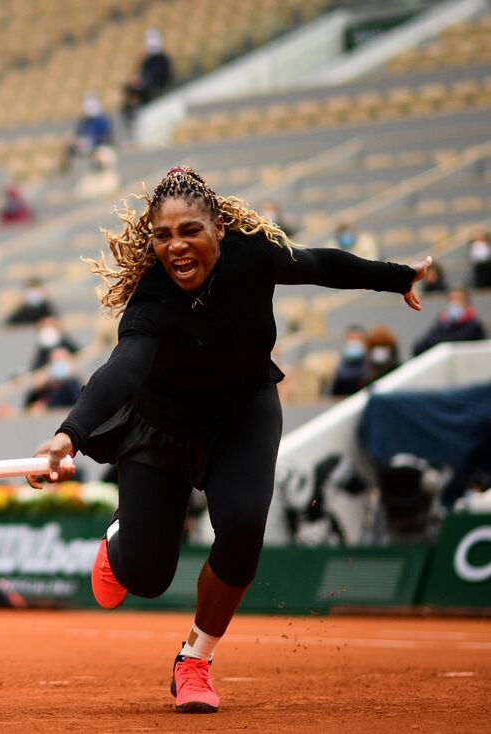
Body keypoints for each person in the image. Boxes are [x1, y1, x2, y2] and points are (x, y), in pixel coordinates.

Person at [29, 166, 428, 714]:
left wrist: (396, 275)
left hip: (243, 412)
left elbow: (320, 264)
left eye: (190, 230)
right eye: (163, 236)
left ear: (218, 227)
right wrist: (66, 435)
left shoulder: (254, 253)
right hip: (162, 428)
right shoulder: (150, 301)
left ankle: (195, 658)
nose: (177, 247)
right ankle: (121, 537)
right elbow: (121, 370)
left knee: (241, 527)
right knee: (145, 578)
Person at [121, 29, 173, 134]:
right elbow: (141, 73)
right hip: (145, 86)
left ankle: (135, 110)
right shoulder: (147, 59)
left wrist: (146, 82)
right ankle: (132, 113)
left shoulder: (163, 59)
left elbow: (164, 76)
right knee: (129, 90)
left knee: (139, 89)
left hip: (156, 85)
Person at [412, 287, 487, 355]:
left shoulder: (475, 326)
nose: (454, 302)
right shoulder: (441, 323)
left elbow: (456, 341)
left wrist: (437, 341)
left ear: (467, 302)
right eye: (451, 299)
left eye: (458, 299)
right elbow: (422, 345)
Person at [61, 92, 113, 173]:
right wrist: (75, 141)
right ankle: (67, 171)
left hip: (99, 147)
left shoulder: (102, 120)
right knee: (69, 146)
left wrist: (94, 148)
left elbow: (105, 138)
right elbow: (78, 134)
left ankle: (99, 170)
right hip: (86, 146)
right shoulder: (83, 121)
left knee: (102, 155)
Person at [25, 348, 82, 412]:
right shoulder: (46, 385)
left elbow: (75, 404)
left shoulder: (72, 384)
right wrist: (37, 389)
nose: (59, 363)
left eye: (61, 359)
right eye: (56, 360)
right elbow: (27, 405)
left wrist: (47, 408)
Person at [329, 325, 370, 396]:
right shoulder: (338, 368)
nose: (354, 342)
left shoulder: (373, 366)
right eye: (350, 338)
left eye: (357, 338)